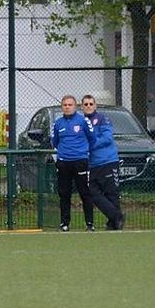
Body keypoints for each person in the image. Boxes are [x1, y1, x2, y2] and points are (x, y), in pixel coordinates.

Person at [51, 94, 96, 232]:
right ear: (62, 107)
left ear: (75, 106)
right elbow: (55, 142)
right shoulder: (58, 123)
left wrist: (82, 151)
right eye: (65, 105)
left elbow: (92, 139)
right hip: (63, 162)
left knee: (85, 192)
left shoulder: (83, 121)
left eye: (70, 105)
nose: (67, 107)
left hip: (80, 161)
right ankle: (64, 224)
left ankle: (89, 224)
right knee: (64, 194)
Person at [80, 94, 124, 230]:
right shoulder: (81, 122)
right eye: (86, 104)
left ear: (95, 106)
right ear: (82, 107)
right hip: (93, 164)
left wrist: (90, 145)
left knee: (111, 194)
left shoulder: (102, 119)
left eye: (91, 104)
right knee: (92, 193)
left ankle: (114, 224)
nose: (88, 106)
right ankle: (116, 216)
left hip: (107, 161)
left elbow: (107, 138)